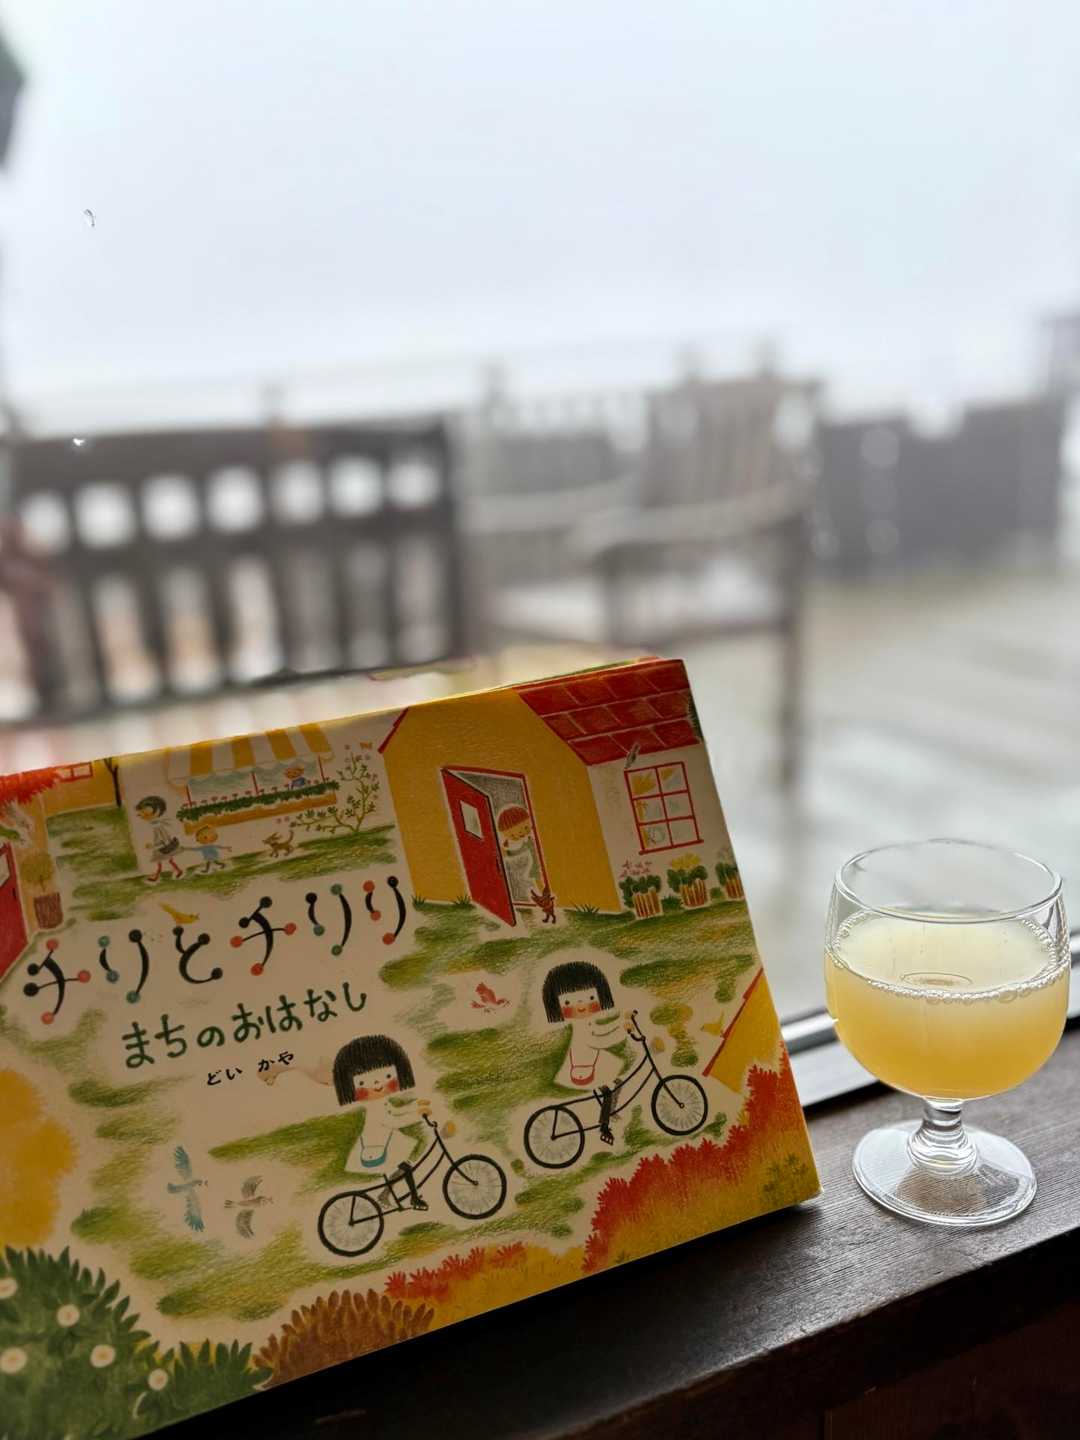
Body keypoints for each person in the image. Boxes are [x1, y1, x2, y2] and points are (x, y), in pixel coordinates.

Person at [260, 1034, 431, 1209]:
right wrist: (418, 1114)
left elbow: (394, 1111)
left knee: (406, 1166)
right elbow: (393, 1121)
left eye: (388, 1075)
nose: (378, 1084)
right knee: (406, 1167)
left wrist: (416, 1105)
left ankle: (388, 1195)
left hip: (386, 1141)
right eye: (363, 1082)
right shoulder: (374, 1108)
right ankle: (409, 1198)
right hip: (377, 1149)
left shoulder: (381, 1102)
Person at [497, 803, 541, 903]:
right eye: (513, 836)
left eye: (525, 828)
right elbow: (520, 850)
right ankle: (543, 897)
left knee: (539, 878)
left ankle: (544, 897)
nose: (521, 834)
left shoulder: (533, 839)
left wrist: (507, 853)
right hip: (537, 866)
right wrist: (507, 853)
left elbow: (520, 850)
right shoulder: (528, 841)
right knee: (538, 879)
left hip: (541, 864)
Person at [134, 795, 183, 882]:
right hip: (160, 848)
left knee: (161, 863)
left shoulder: (158, 826)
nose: (143, 816)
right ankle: (178, 871)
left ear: (157, 813)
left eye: (146, 814)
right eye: (141, 814)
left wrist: (153, 847)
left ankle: (157, 876)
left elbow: (165, 841)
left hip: (161, 849)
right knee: (167, 862)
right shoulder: (153, 825)